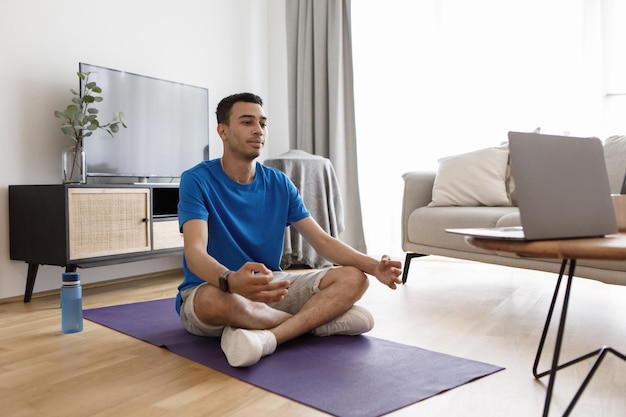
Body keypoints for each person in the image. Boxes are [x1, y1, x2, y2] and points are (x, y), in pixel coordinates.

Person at [176, 92, 402, 367]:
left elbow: (322, 241)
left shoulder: (279, 183)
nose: (258, 130)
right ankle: (316, 326)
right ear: (222, 131)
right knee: (217, 301)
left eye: (262, 123)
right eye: (247, 122)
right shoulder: (196, 180)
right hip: (214, 287)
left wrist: (373, 266)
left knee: (355, 278)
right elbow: (195, 252)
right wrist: (230, 280)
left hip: (270, 287)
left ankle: (268, 337)